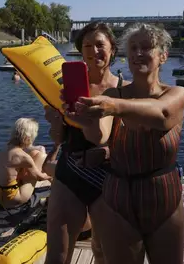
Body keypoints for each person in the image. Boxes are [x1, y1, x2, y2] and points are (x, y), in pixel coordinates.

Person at [65, 23, 184, 264]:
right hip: (119, 199)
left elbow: (162, 116)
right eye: (133, 48)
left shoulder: (177, 94)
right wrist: (85, 120)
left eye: (146, 47)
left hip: (165, 198)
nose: (138, 53)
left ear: (163, 56)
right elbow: (98, 137)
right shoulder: (113, 96)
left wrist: (113, 107)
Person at [44, 22, 128, 264]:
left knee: (102, 252)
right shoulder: (66, 88)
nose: (93, 51)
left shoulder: (124, 90)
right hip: (70, 171)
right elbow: (59, 138)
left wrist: (110, 151)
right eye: (87, 45)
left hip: (109, 178)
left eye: (100, 44)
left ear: (112, 48)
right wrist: (55, 122)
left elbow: (134, 139)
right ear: (81, 51)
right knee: (57, 255)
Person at [0, 118, 53, 209]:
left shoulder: (6, 147)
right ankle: (56, 186)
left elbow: (27, 150)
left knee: (37, 153)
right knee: (42, 157)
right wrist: (54, 177)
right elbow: (40, 178)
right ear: (30, 136)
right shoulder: (24, 157)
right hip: (13, 200)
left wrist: (40, 149)